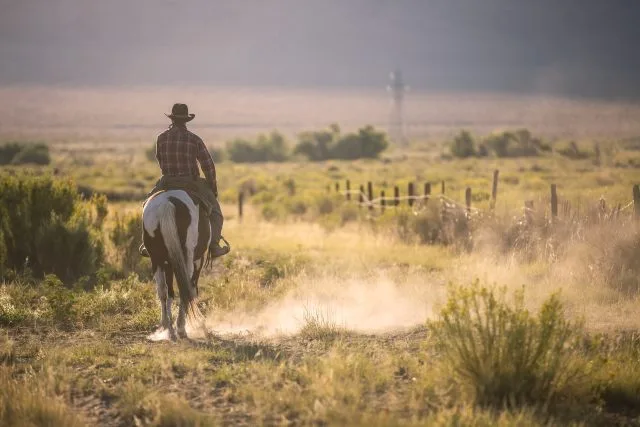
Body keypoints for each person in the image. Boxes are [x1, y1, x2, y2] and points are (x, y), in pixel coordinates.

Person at [139, 103, 229, 258]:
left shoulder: (161, 139)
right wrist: (212, 188)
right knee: (215, 213)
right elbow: (208, 166)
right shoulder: (194, 140)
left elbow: (160, 161)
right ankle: (214, 245)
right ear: (186, 120)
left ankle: (148, 243)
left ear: (172, 119)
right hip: (190, 182)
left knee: (146, 206)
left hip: (167, 181)